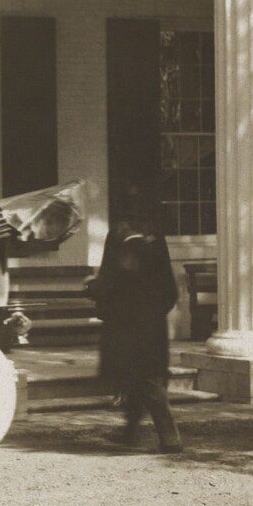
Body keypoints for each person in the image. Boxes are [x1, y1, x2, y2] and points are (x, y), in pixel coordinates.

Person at [86, 193, 182, 452]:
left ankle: (170, 438)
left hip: (127, 322)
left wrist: (92, 288)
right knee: (141, 377)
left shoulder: (119, 234)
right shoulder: (155, 235)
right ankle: (130, 431)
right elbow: (168, 288)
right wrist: (157, 310)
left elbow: (113, 277)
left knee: (144, 378)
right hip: (152, 320)